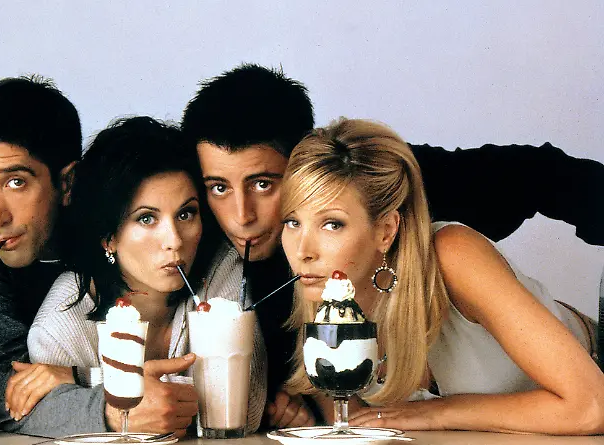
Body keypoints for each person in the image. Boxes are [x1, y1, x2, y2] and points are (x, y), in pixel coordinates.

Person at [181, 63, 604, 426]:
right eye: (218, 187)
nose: (241, 216)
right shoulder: (269, 265)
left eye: (263, 184)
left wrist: (435, 414)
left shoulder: (386, 183)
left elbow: (544, 175)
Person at [280, 118, 603, 434]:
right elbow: (357, 426)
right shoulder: (319, 291)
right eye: (293, 222)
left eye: (332, 224)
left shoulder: (453, 254)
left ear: (385, 230)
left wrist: (438, 412)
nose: (302, 250)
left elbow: (591, 406)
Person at [20, 116, 266, 436]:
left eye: (186, 213)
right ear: (108, 237)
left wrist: (83, 377)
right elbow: (55, 426)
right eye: (147, 218)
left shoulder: (220, 268)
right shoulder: (65, 317)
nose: (174, 240)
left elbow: (247, 406)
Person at [0, 76, 83, 433]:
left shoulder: (128, 242)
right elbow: (21, 411)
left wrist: (80, 376)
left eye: (15, 182)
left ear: (67, 183)